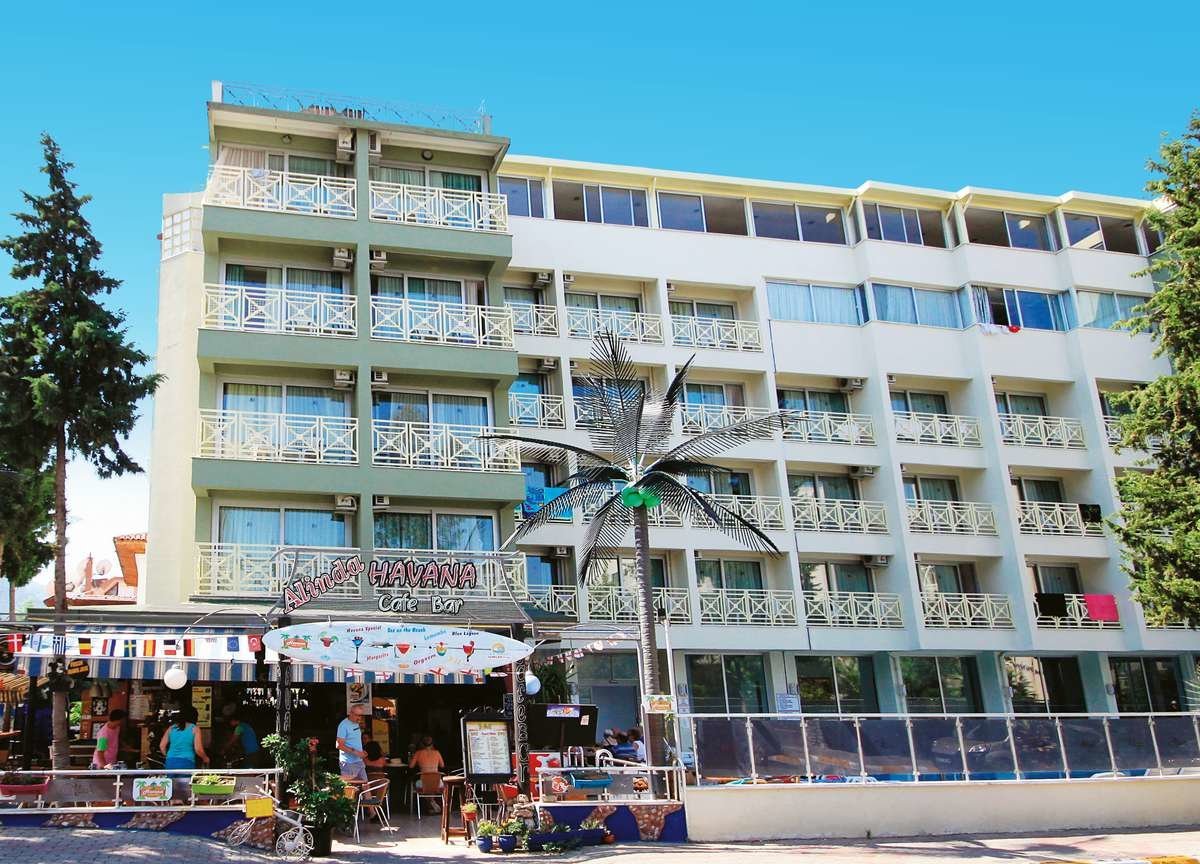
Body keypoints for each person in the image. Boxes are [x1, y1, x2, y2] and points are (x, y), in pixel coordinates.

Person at [409, 735, 445, 812]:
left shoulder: (418, 753)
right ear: (432, 744)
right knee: (432, 784)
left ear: (421, 744)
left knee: (419, 783)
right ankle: (431, 804)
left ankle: (431, 803)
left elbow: (411, 766)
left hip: (424, 783)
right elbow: (442, 765)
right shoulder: (437, 753)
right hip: (437, 783)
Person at [336, 703, 369, 781]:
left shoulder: (356, 723)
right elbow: (339, 745)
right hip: (348, 762)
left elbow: (354, 741)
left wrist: (361, 751)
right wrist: (357, 752)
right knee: (351, 787)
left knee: (365, 785)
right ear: (350, 713)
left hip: (359, 761)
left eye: (361, 715)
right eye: (357, 715)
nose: (359, 718)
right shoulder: (343, 725)